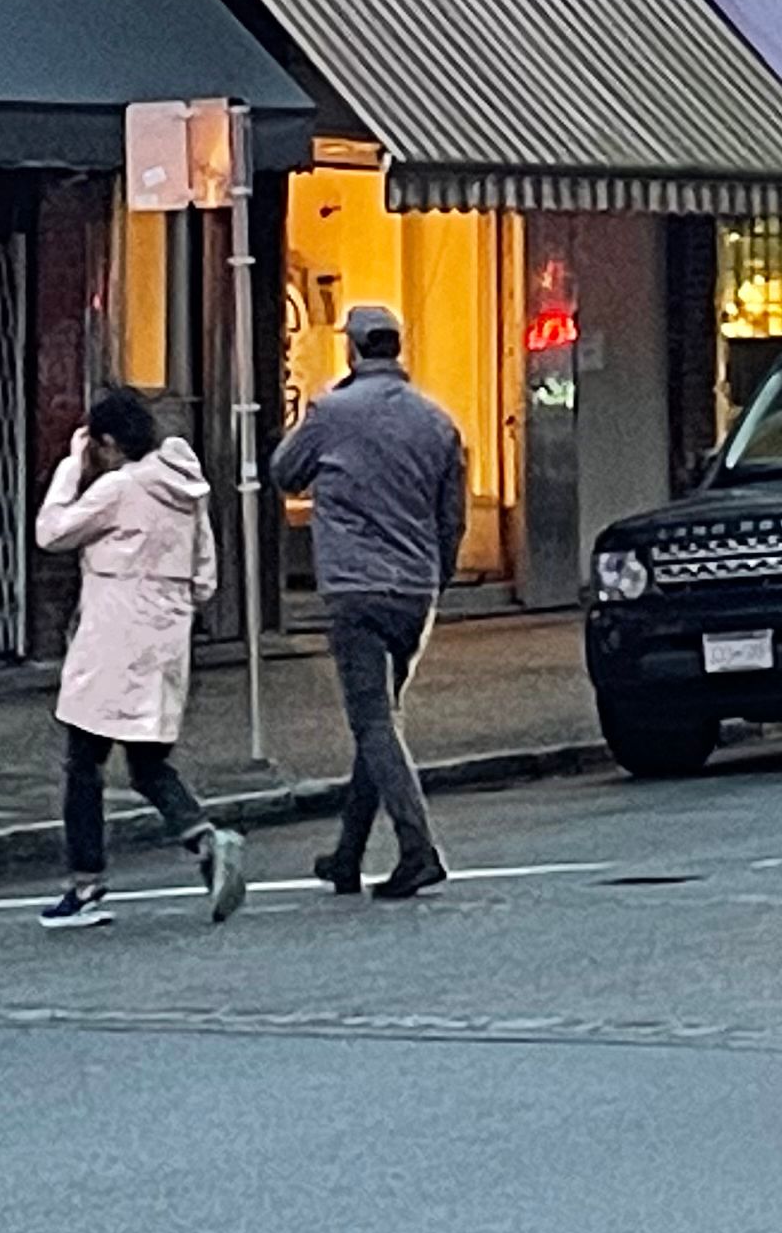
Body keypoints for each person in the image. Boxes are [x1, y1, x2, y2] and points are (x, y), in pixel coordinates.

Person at [267, 299, 468, 900]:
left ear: (352, 349)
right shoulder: (436, 421)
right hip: (415, 588)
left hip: (356, 588)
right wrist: (438, 575)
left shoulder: (332, 412)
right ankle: (348, 853)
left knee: (373, 721)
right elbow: (451, 519)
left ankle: (418, 847)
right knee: (382, 723)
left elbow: (283, 472)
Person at [33, 386, 248, 931]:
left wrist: (68, 466)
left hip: (112, 634)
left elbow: (51, 531)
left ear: (107, 442)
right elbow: (205, 578)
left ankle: (85, 884)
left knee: (84, 762)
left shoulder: (122, 487)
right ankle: (201, 835)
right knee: (149, 762)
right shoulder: (187, 488)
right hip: (166, 636)